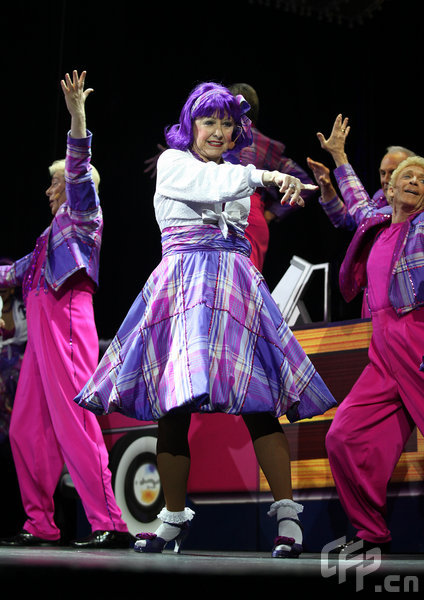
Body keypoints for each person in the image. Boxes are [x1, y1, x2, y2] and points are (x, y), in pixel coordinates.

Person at [74, 81, 337, 558]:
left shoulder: (237, 171)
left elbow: (234, 211)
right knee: (173, 407)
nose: (218, 132)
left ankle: (287, 519)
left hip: (232, 285)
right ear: (190, 124)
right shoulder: (175, 165)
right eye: (208, 121)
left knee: (258, 401)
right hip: (180, 286)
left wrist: (274, 182)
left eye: (226, 124)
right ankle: (172, 520)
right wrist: (268, 178)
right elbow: (205, 185)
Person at [0, 71, 131, 549]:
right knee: (25, 427)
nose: (51, 189)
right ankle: (40, 522)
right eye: (54, 182)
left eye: (56, 182)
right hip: (40, 333)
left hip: (67, 321)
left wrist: (77, 116)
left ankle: (109, 521)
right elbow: (13, 273)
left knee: (76, 418)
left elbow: (78, 168)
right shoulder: (48, 236)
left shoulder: (83, 213)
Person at [324, 155, 424, 555]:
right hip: (381, 347)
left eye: (422, 178)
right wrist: (341, 159)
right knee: (342, 436)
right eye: (408, 176)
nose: (415, 181)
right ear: (392, 189)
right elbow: (357, 201)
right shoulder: (379, 222)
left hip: (416, 335)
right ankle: (371, 533)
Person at [226, 83, 317, 271]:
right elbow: (304, 180)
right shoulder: (267, 147)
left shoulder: (218, 137)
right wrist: (271, 212)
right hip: (249, 217)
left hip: (235, 212)